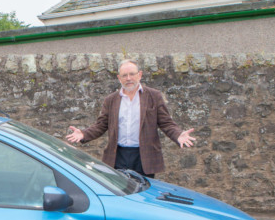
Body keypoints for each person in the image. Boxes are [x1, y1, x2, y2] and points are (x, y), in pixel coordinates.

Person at [66, 59, 195, 178]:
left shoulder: (153, 96)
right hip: (118, 156)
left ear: (140, 75)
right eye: (124, 75)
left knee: (144, 197)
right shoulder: (111, 100)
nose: (129, 78)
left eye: (132, 74)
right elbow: (101, 125)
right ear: (119, 78)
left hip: (144, 156)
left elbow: (166, 122)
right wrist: (84, 134)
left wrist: (178, 135)